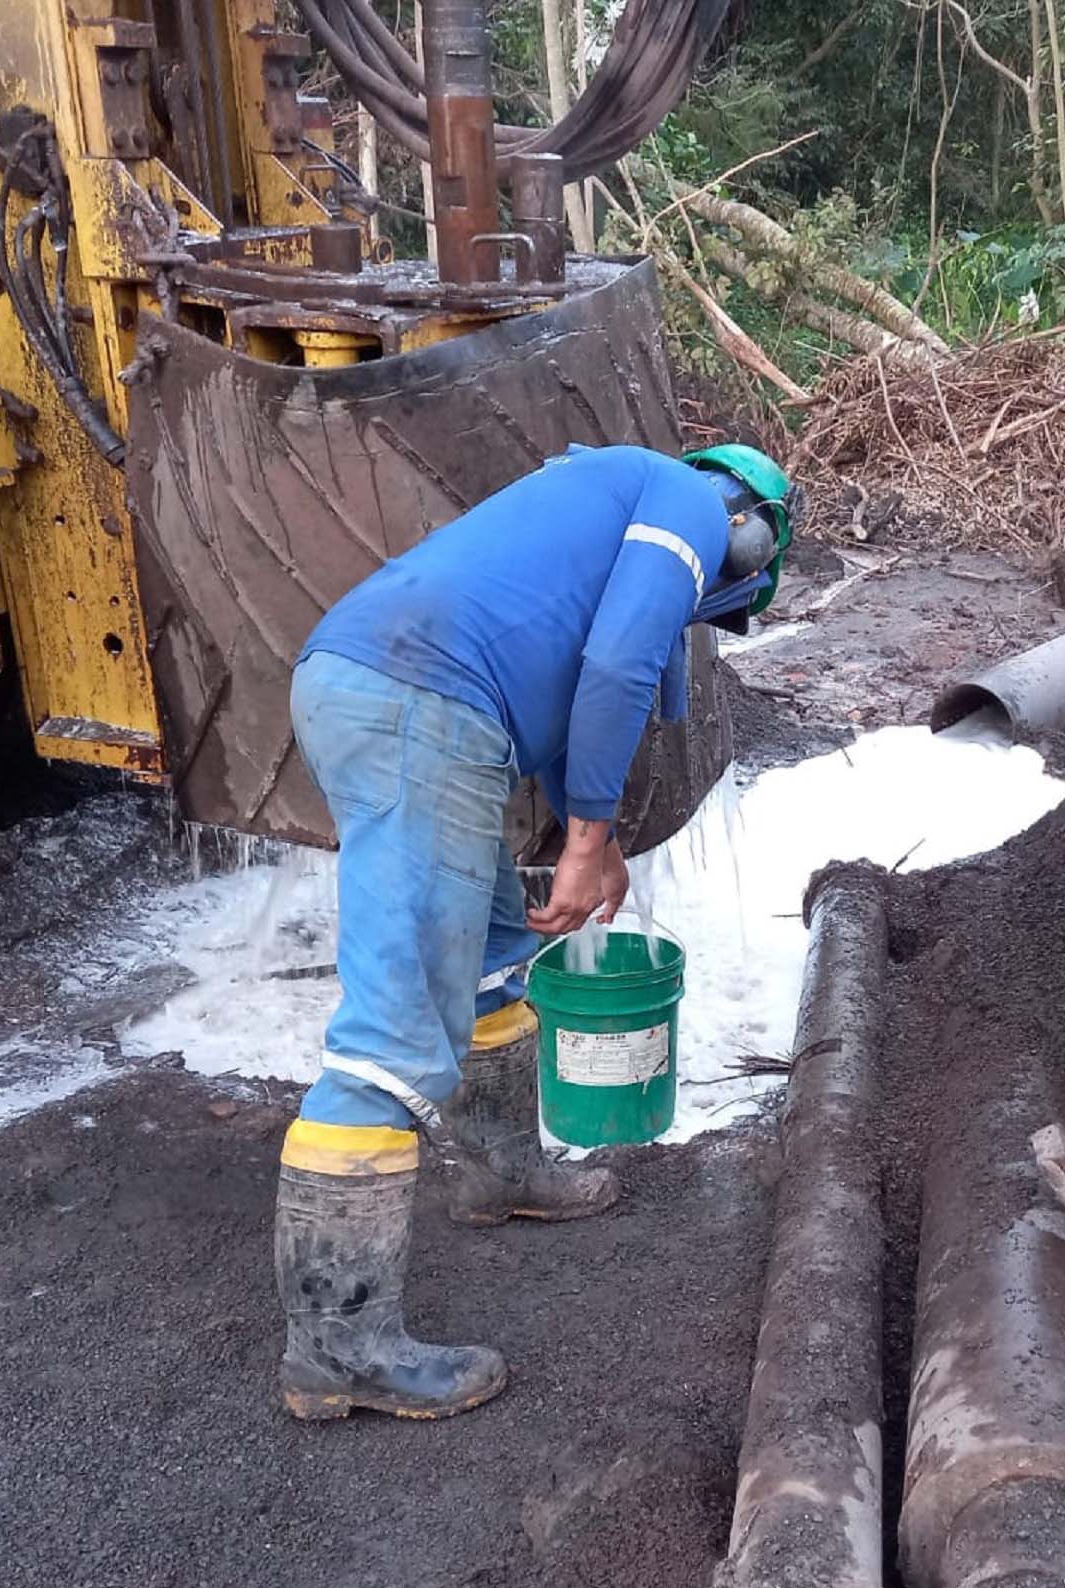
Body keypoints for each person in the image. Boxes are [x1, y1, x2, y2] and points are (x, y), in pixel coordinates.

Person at [273, 441, 793, 1422]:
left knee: (490, 953)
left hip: (379, 679)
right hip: (423, 702)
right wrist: (590, 836)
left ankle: (502, 1168)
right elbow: (615, 664)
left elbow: (571, 695)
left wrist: (597, 837)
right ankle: (336, 1344)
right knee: (395, 1034)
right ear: (750, 532)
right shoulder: (687, 505)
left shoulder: (611, 495)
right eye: (743, 589)